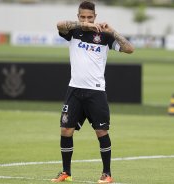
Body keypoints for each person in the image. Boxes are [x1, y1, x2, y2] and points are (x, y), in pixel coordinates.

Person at [51, 1, 134, 183]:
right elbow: (58, 25)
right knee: (65, 130)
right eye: (83, 17)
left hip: (96, 92)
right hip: (74, 90)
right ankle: (66, 172)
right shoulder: (74, 32)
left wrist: (112, 31)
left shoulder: (104, 36)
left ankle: (107, 174)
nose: (87, 19)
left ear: (95, 16)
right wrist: (84, 25)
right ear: (78, 16)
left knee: (101, 132)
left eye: (90, 17)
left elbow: (129, 49)